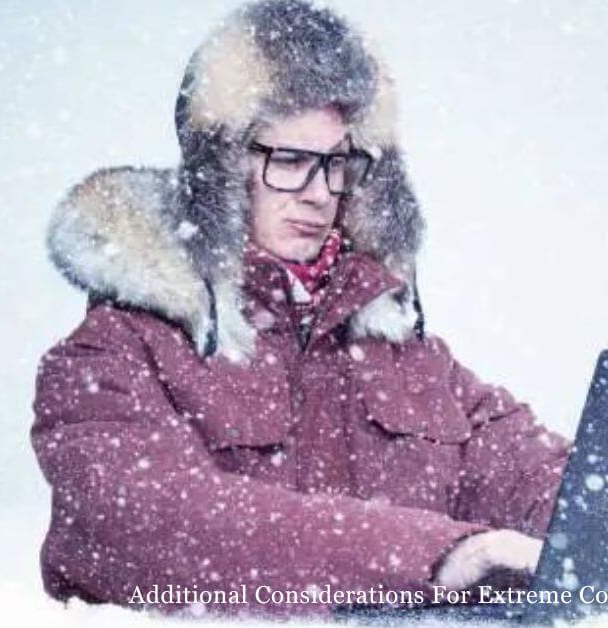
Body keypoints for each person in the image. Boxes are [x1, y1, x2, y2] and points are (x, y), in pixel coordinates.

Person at [30, 0, 571, 618]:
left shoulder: (404, 358)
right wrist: (438, 557)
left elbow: (536, 476)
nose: (319, 194)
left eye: (336, 164)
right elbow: (151, 528)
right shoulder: (111, 355)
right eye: (288, 161)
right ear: (223, 169)